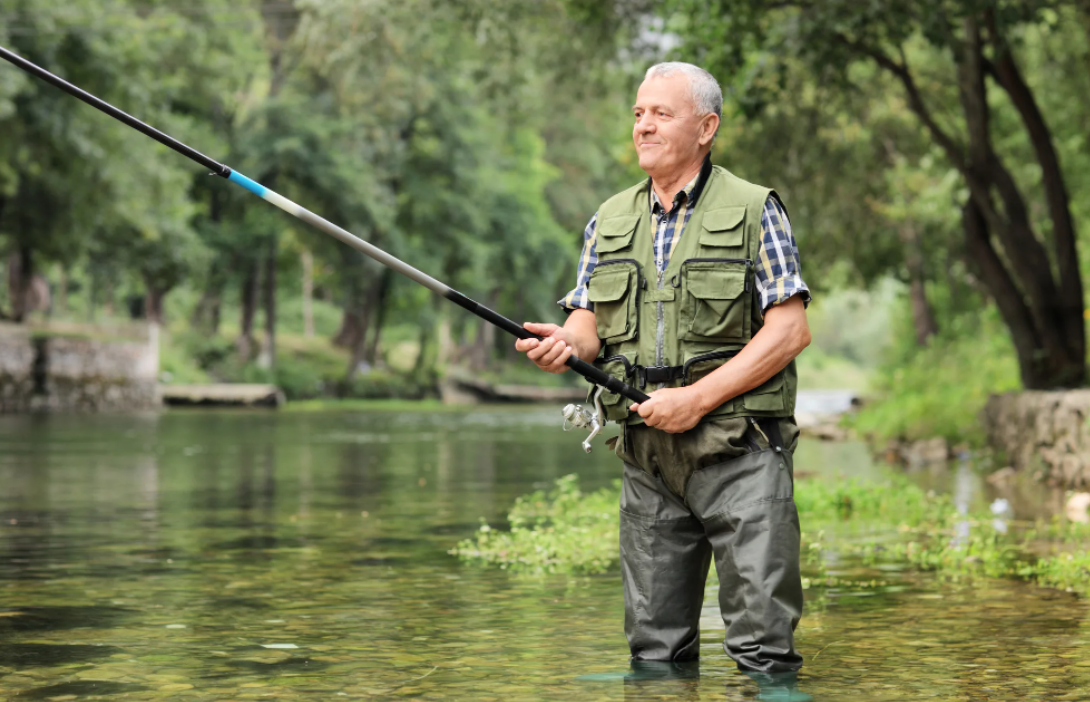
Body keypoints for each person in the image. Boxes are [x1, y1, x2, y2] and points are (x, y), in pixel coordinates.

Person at [515, 62, 812, 676]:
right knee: (653, 654)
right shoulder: (609, 219)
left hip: (741, 452)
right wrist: (564, 346)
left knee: (765, 654)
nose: (643, 126)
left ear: (706, 127)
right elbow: (586, 326)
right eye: (638, 114)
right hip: (647, 458)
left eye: (661, 114)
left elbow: (789, 332)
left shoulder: (757, 210)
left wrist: (696, 399)